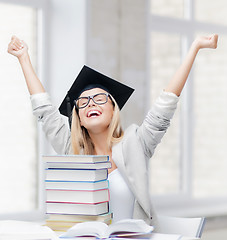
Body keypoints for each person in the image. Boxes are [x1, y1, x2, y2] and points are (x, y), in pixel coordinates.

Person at [8, 34, 218, 227]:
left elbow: (165, 106)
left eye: (100, 99)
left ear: (113, 109)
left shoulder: (136, 143)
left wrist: (195, 48)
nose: (91, 104)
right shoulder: (72, 150)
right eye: (83, 102)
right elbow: (45, 111)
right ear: (78, 118)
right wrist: (23, 58)